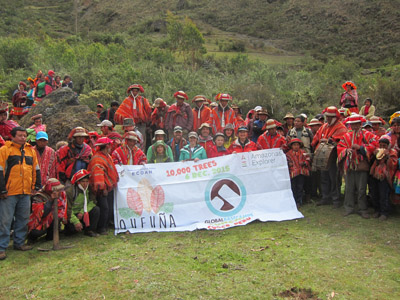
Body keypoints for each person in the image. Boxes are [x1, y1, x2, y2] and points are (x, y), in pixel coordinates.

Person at [0, 126, 41, 260]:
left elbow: (36, 169)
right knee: (5, 220)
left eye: (24, 135)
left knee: (23, 218)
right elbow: (0, 171)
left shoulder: (31, 151)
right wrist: (2, 189)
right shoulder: (5, 150)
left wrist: (36, 185)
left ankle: (19, 243)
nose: (23, 138)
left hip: (25, 191)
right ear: (13, 136)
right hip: (9, 192)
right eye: (20, 135)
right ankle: (1, 247)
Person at [337, 114, 378, 218]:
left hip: (362, 165)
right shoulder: (347, 136)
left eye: (356, 124)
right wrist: (346, 150)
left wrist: (361, 148)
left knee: (362, 188)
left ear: (360, 124)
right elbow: (340, 147)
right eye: (352, 124)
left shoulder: (368, 135)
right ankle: (348, 208)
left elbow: (375, 144)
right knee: (349, 187)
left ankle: (363, 209)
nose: (354, 126)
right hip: (349, 165)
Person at [311, 106, 348, 207]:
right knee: (324, 177)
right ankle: (325, 197)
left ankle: (336, 199)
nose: (328, 119)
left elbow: (341, 140)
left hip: (334, 156)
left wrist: (329, 140)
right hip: (323, 156)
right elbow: (316, 137)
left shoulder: (341, 127)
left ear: (335, 117)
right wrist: (315, 143)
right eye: (327, 116)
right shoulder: (324, 126)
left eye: (330, 117)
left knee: (334, 178)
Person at [87, 137, 119, 235]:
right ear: (106, 146)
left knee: (108, 207)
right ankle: (101, 227)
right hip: (102, 189)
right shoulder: (97, 159)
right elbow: (98, 175)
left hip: (108, 187)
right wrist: (102, 188)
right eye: (109, 145)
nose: (111, 147)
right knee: (104, 208)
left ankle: (105, 225)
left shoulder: (106, 156)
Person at [27, 178, 67, 243]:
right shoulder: (38, 197)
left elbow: (61, 208)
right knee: (36, 232)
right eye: (56, 190)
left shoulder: (60, 195)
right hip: (39, 222)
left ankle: (50, 236)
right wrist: (51, 200)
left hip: (51, 220)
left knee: (56, 218)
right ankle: (31, 237)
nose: (59, 191)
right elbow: (41, 214)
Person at [369, 135, 398, 220]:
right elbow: (371, 162)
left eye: (384, 146)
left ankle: (384, 212)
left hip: (384, 177)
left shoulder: (392, 152)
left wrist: (387, 157)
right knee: (375, 193)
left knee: (383, 195)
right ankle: (377, 210)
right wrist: (374, 156)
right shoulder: (376, 151)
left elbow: (394, 164)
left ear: (388, 145)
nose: (382, 147)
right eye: (380, 145)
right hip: (375, 175)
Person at [64, 169, 100, 237]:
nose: (85, 184)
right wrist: (76, 221)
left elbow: (93, 202)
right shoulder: (70, 191)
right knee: (71, 231)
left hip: (83, 212)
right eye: (83, 181)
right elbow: (67, 210)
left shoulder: (89, 188)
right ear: (78, 182)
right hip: (72, 214)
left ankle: (90, 230)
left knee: (96, 209)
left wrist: (82, 212)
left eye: (87, 181)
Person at [286, 138, 310, 207]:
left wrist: (304, 163)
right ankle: (293, 200)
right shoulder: (288, 154)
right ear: (291, 146)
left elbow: (308, 159)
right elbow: (286, 161)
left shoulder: (303, 152)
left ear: (300, 145)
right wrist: (288, 163)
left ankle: (299, 201)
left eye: (297, 145)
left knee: (300, 187)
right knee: (293, 187)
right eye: (294, 145)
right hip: (293, 173)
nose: (296, 146)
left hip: (301, 173)